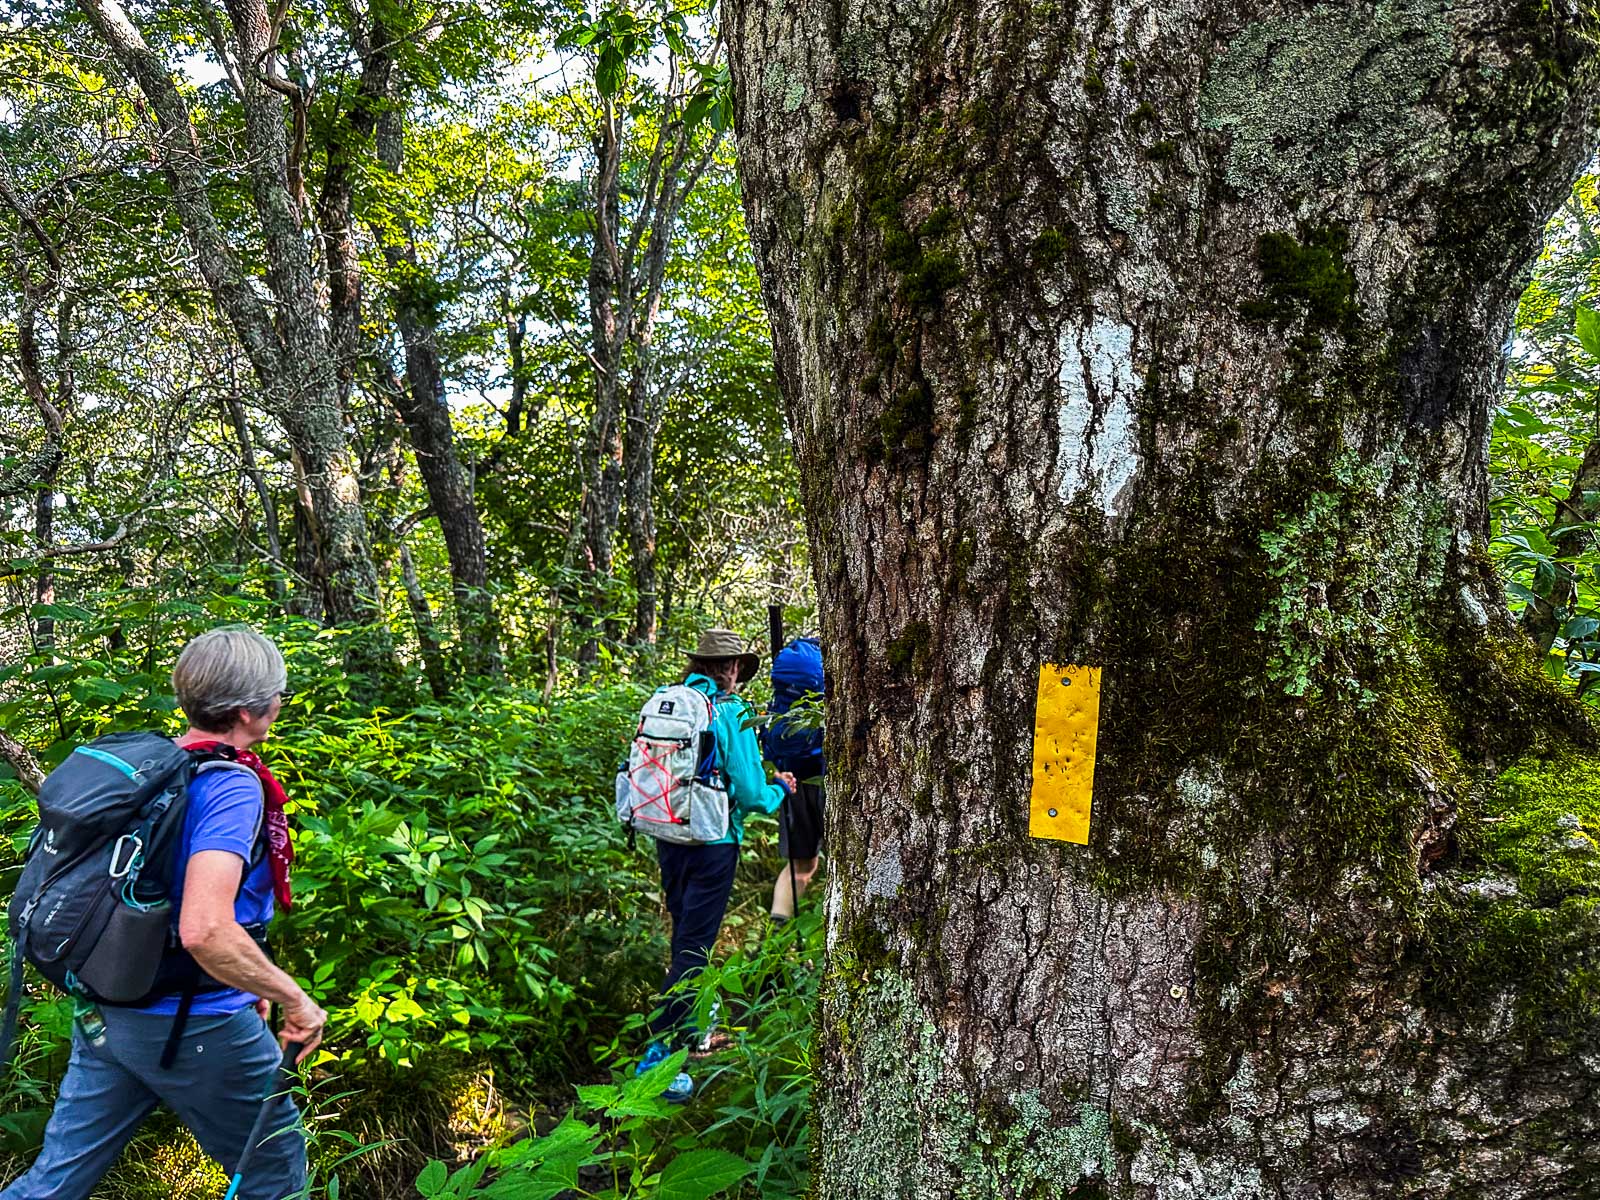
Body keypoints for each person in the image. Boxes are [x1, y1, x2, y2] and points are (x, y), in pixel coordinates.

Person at [1, 627, 326, 1200]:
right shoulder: (228, 786)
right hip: (195, 1021)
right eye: (280, 695)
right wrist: (294, 999)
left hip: (111, 1010)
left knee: (55, 1182)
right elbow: (204, 928)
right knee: (275, 1175)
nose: (280, 704)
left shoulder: (154, 768)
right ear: (253, 712)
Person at [637, 628, 794, 1102]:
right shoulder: (730, 711)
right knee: (694, 949)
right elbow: (748, 791)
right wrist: (778, 789)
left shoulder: (669, 699)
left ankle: (694, 1032)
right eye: (737, 668)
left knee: (684, 933)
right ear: (729, 668)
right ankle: (654, 1059)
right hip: (713, 840)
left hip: (668, 833)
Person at [762, 637, 825, 926]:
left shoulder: (789, 669)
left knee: (799, 865)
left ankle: (777, 939)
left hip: (792, 783)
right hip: (827, 780)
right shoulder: (827, 661)